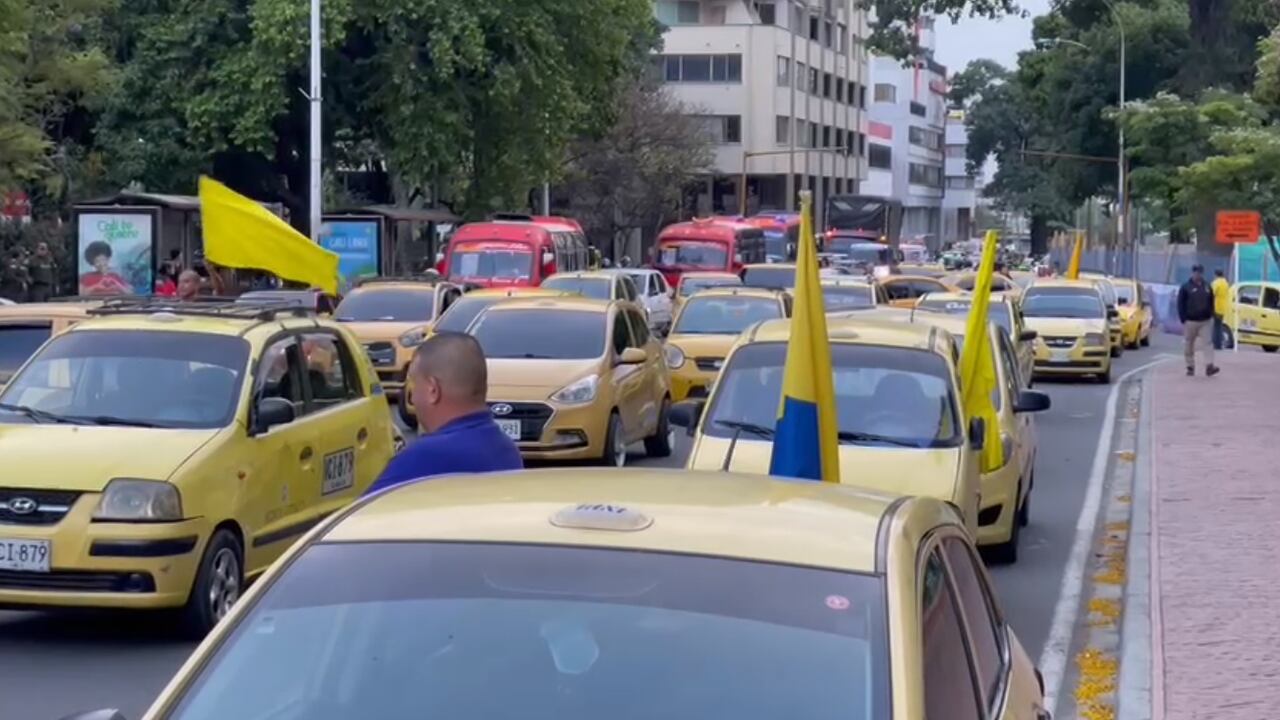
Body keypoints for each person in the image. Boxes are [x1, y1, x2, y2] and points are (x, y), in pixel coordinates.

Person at [364, 332, 522, 494]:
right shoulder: (508, 451)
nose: (413, 398)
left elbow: (366, 509)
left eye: (415, 385)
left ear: (433, 390)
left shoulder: (423, 459)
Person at [1177, 264, 1219, 377]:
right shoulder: (1186, 287)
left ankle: (1209, 366)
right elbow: (1180, 303)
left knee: (1208, 343)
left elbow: (1211, 301)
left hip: (1205, 321)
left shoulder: (1207, 287)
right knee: (1189, 344)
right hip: (1190, 321)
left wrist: (1211, 314)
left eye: (1200, 272)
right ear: (1192, 273)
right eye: (1196, 272)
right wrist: (1183, 319)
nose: (1198, 275)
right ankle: (1190, 366)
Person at [1211, 268, 1231, 350]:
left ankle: (1215, 343)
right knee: (1219, 326)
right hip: (1223, 308)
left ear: (1216, 274)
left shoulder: (1216, 283)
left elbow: (1212, 294)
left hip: (1215, 307)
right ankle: (1219, 344)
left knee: (1215, 327)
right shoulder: (1226, 283)